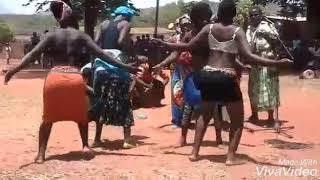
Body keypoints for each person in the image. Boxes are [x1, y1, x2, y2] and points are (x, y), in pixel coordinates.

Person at [152, 0, 292, 165]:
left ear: (218, 13)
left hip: (208, 75)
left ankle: (194, 153)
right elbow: (249, 56)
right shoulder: (237, 31)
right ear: (233, 14)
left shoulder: (208, 29)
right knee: (237, 121)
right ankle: (230, 157)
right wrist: (277, 63)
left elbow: (187, 45)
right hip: (227, 76)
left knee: (204, 116)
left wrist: (163, 43)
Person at [4, 0, 137, 164]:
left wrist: (13, 70)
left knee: (47, 119)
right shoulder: (81, 36)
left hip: (54, 79)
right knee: (81, 115)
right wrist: (127, 67)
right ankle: (85, 146)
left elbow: (32, 55)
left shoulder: (51, 36)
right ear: (73, 17)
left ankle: (40, 154)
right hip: (75, 79)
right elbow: (103, 55)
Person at [153, 3, 219, 146]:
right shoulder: (190, 35)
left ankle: (218, 137)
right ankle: (183, 138)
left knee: (213, 109)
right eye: (202, 19)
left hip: (210, 74)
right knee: (188, 107)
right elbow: (176, 52)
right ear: (195, 19)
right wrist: (161, 64)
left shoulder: (212, 33)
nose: (205, 21)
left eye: (207, 18)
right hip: (194, 76)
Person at [93, 6, 141, 149]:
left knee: (101, 101)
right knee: (125, 101)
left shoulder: (103, 24)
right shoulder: (125, 24)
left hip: (101, 66)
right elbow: (121, 42)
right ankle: (126, 140)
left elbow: (95, 43)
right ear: (127, 16)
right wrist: (132, 51)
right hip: (118, 66)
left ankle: (97, 139)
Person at [246, 7, 282, 127]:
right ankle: (254, 115)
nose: (253, 17)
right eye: (251, 15)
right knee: (253, 89)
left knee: (270, 89)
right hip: (254, 61)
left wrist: (275, 59)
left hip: (268, 60)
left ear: (260, 15)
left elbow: (277, 41)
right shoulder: (249, 29)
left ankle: (271, 118)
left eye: (256, 15)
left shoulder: (267, 26)